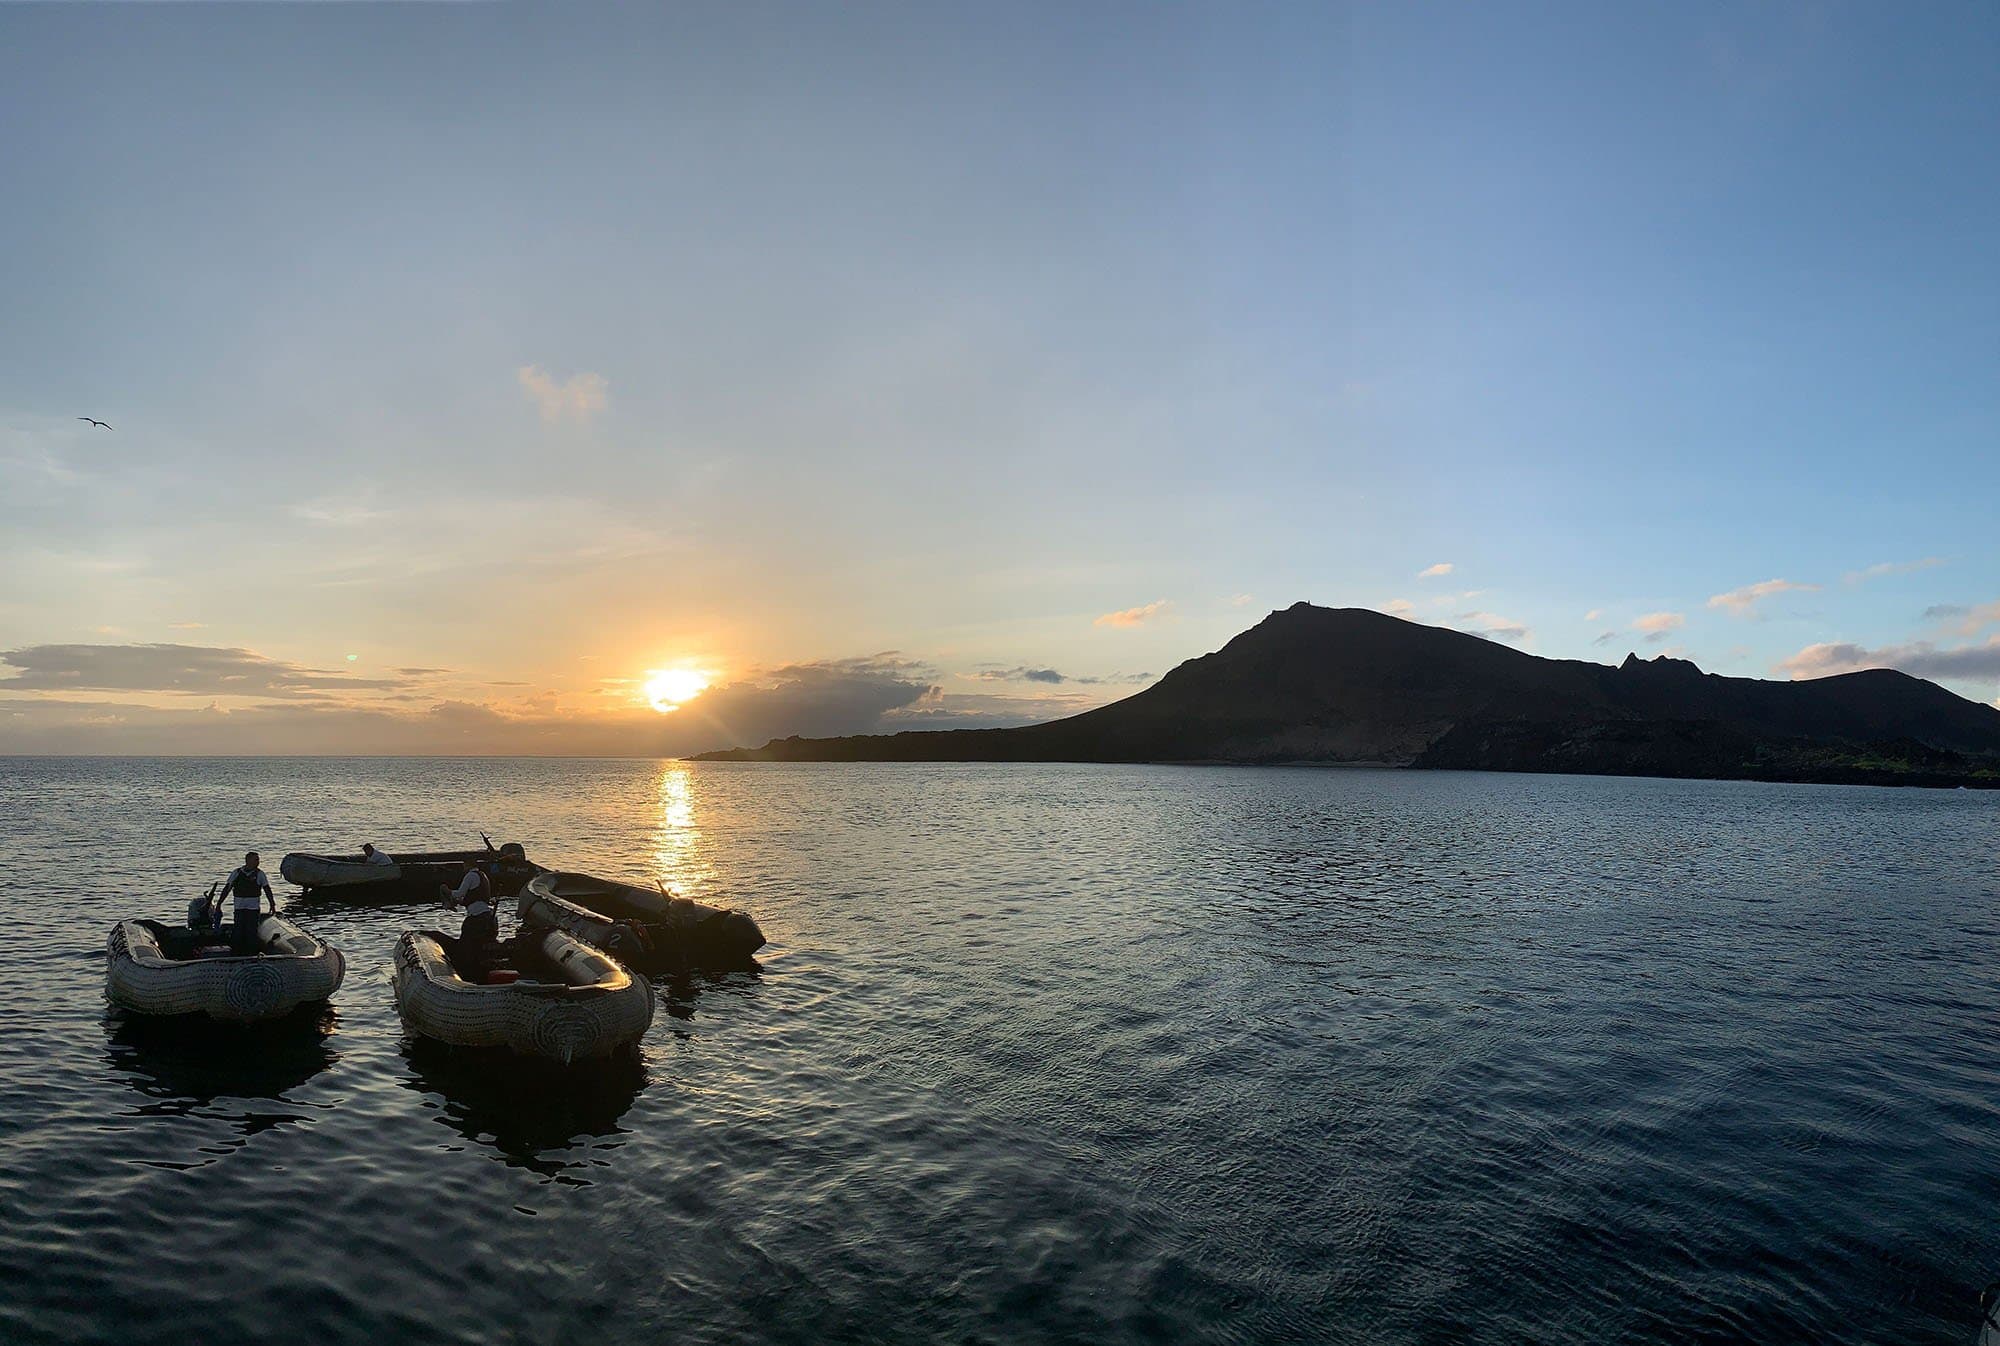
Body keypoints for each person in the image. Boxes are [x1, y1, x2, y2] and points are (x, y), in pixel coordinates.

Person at [440, 861, 499, 979]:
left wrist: (448, 891)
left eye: (464, 865)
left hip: (476, 916)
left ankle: (463, 970)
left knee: (466, 942)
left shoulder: (470, 876)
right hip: (487, 915)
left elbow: (460, 893)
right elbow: (472, 897)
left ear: (467, 865)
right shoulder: (483, 876)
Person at [218, 851, 276, 955]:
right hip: (239, 907)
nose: (258, 862)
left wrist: (272, 904)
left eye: (258, 860)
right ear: (248, 860)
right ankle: (236, 952)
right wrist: (219, 904)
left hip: (253, 908)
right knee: (238, 929)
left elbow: (267, 889)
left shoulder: (260, 874)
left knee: (251, 930)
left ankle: (252, 953)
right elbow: (227, 888)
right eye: (256, 860)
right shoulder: (236, 873)